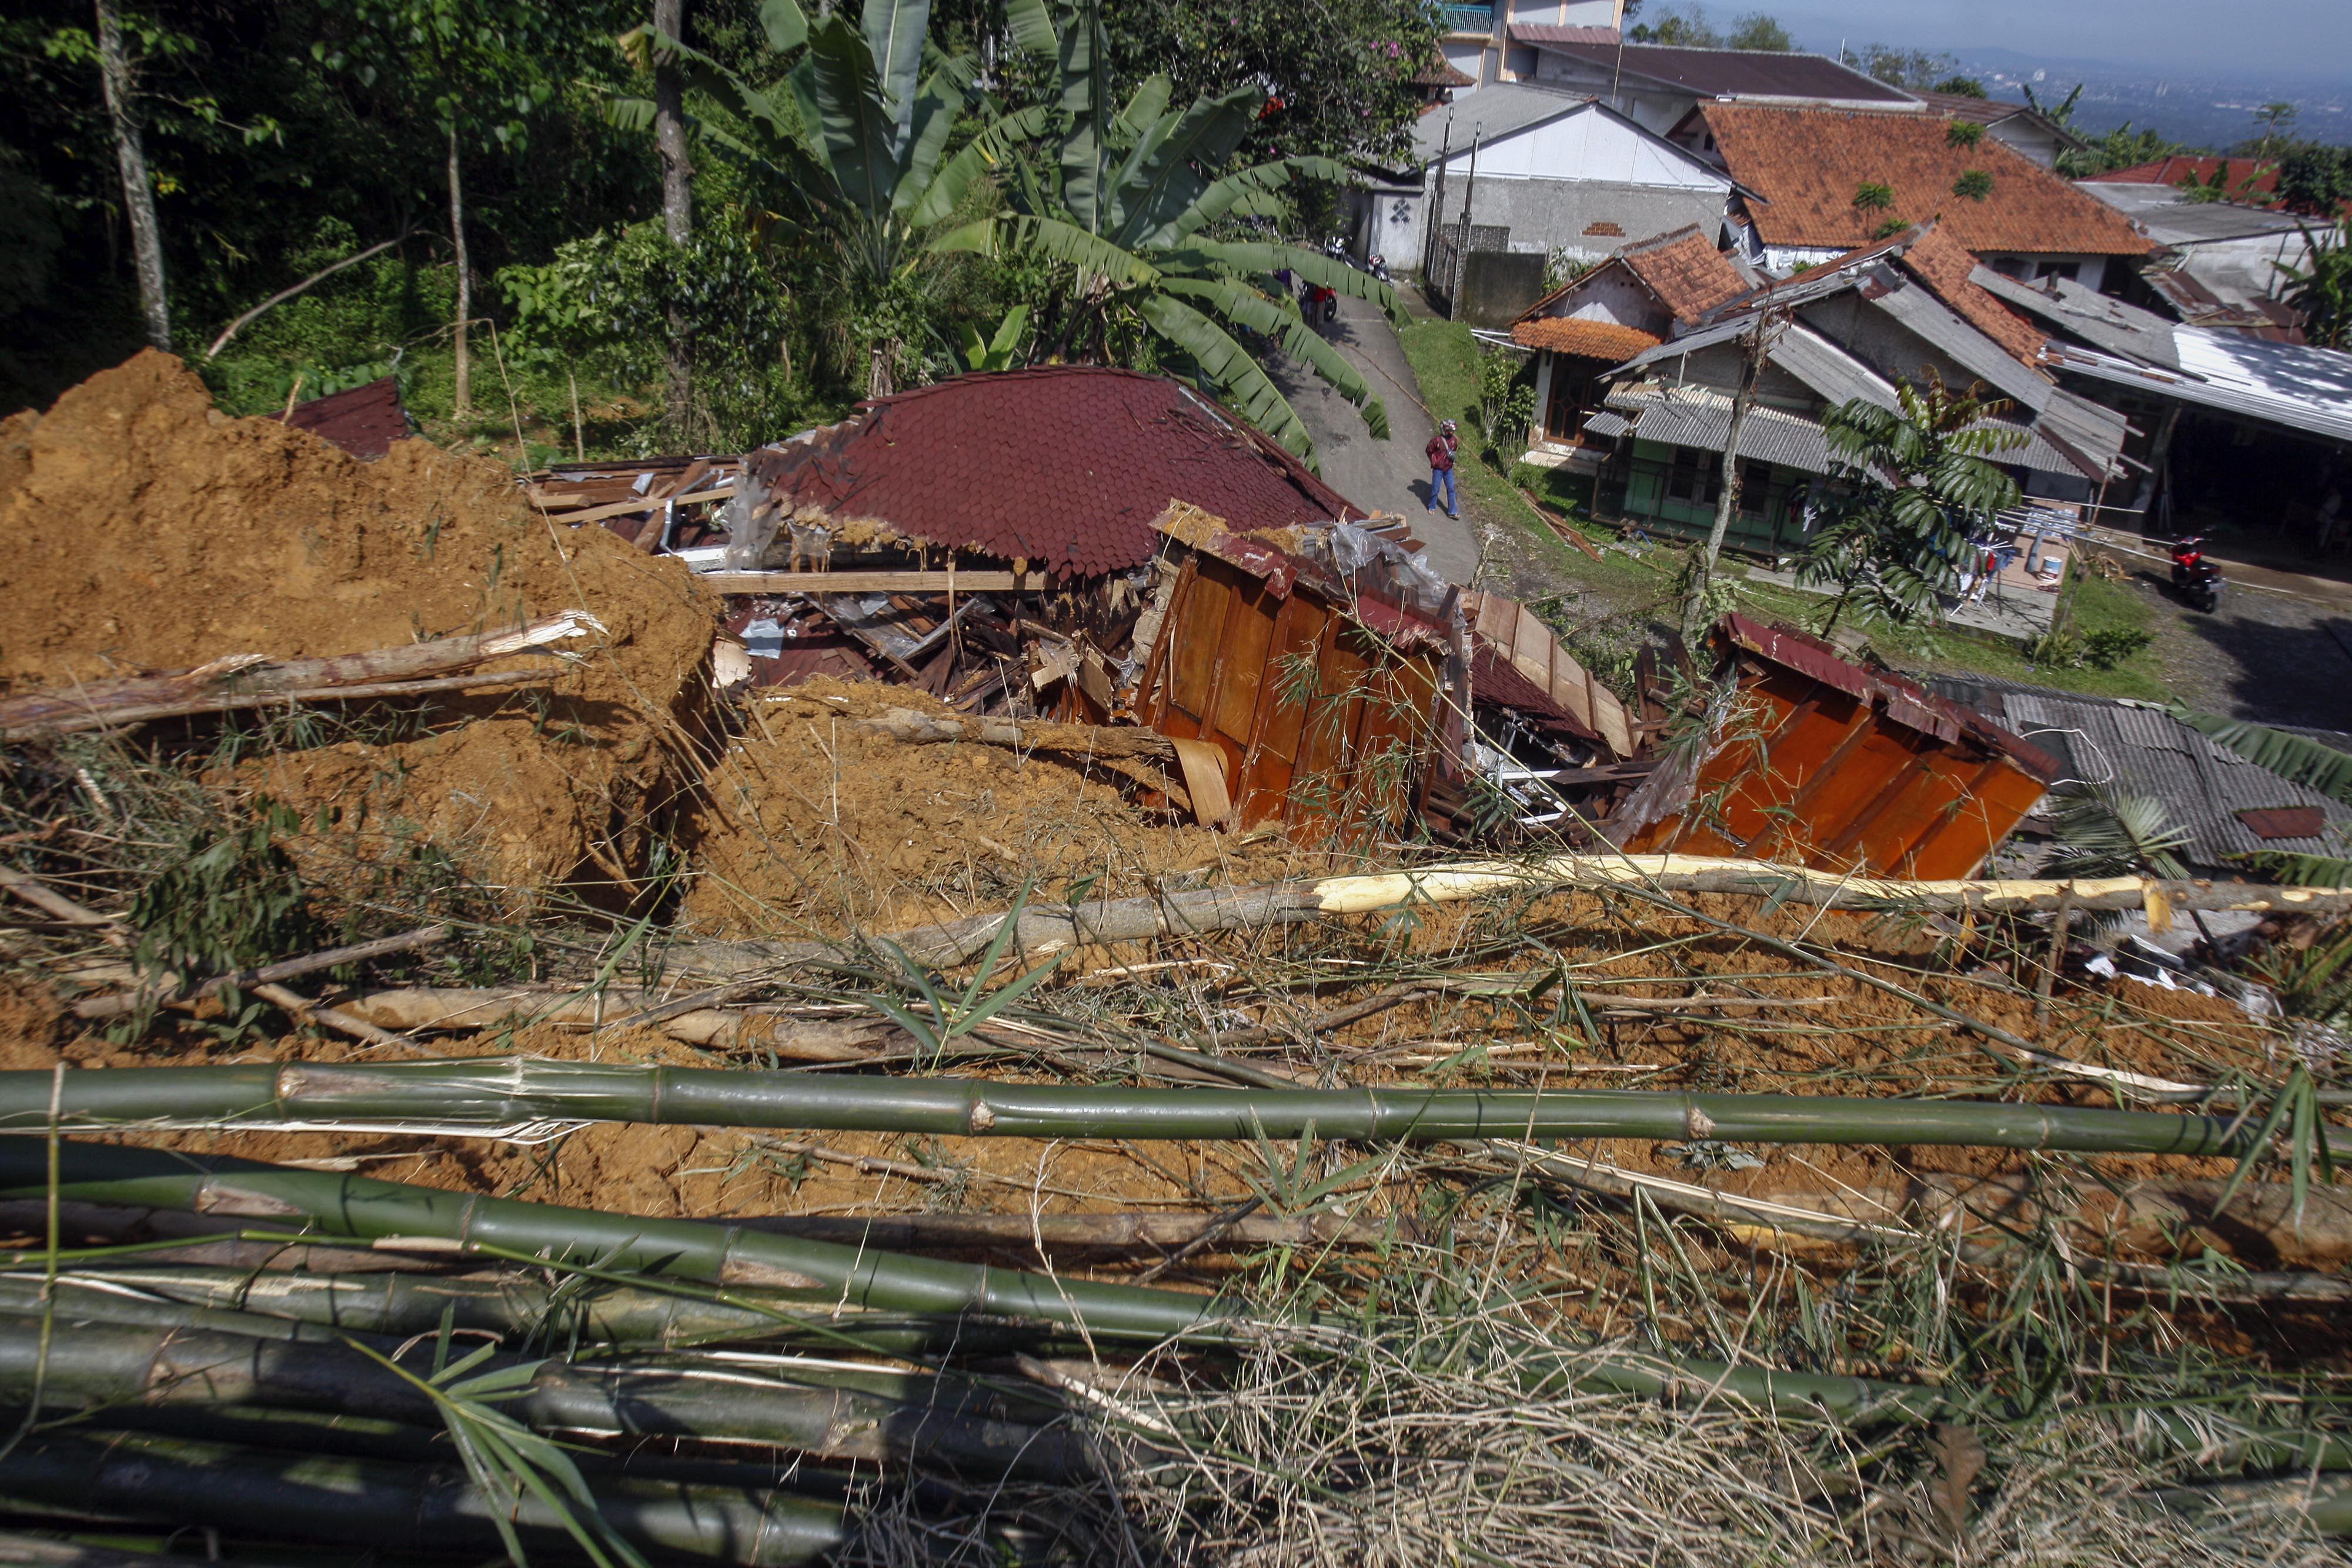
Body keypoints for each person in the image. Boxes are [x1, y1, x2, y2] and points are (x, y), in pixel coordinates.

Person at [1425, 419, 1459, 519]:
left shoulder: (1454, 440)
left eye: (1453, 431)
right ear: (1444, 430)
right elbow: (1429, 450)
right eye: (1450, 430)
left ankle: (1453, 511)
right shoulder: (1437, 440)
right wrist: (1435, 460)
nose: (1452, 433)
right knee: (1436, 489)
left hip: (1449, 469)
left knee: (1451, 489)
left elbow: (1454, 449)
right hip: (1438, 469)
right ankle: (1432, 507)